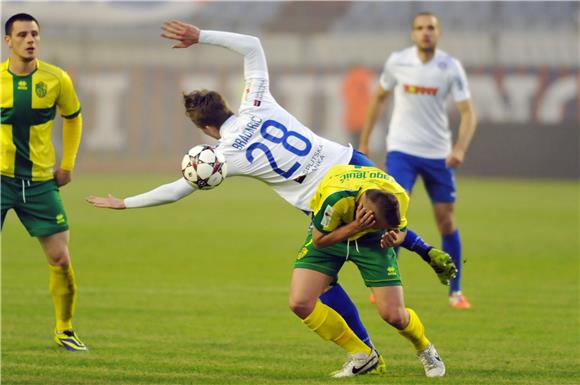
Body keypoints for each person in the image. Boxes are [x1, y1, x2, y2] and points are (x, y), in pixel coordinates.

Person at [87, 20, 454, 374]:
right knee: (339, 267)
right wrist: (200, 36)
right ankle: (369, 350)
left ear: (205, 129)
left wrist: (126, 202)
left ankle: (383, 340)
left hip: (331, 200)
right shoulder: (257, 101)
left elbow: (177, 190)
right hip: (354, 168)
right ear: (226, 105)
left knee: (359, 276)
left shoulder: (224, 154)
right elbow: (253, 45)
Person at [359, 12, 477, 309]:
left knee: (446, 220)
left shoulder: (450, 68)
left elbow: (468, 113)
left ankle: (455, 290)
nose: (426, 33)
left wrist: (460, 148)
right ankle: (385, 284)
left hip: (438, 153)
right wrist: (365, 141)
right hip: (402, 150)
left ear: (439, 33)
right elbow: (378, 98)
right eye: (421, 28)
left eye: (431, 28)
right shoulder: (398, 62)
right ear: (413, 34)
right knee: (390, 215)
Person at [291, 164, 445, 378]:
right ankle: (362, 354)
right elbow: (319, 240)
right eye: (377, 224)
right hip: (331, 235)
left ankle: (425, 349)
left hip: (374, 244)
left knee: (394, 315)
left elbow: (399, 231)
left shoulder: (398, 195)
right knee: (300, 302)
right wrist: (355, 228)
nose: (380, 227)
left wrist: (392, 237)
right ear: (364, 211)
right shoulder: (336, 198)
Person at [1, 13, 86, 351]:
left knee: (61, 259)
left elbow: (73, 118)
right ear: (8, 41)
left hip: (39, 183)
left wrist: (67, 165)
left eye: (34, 34)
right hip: (1, 180)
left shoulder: (56, 79)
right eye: (22, 35)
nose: (30, 40)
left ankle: (64, 330)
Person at [341, 65, 373, 148]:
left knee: (354, 142)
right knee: (362, 142)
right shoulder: (364, 79)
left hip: (353, 118)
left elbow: (346, 95)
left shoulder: (350, 80)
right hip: (364, 118)